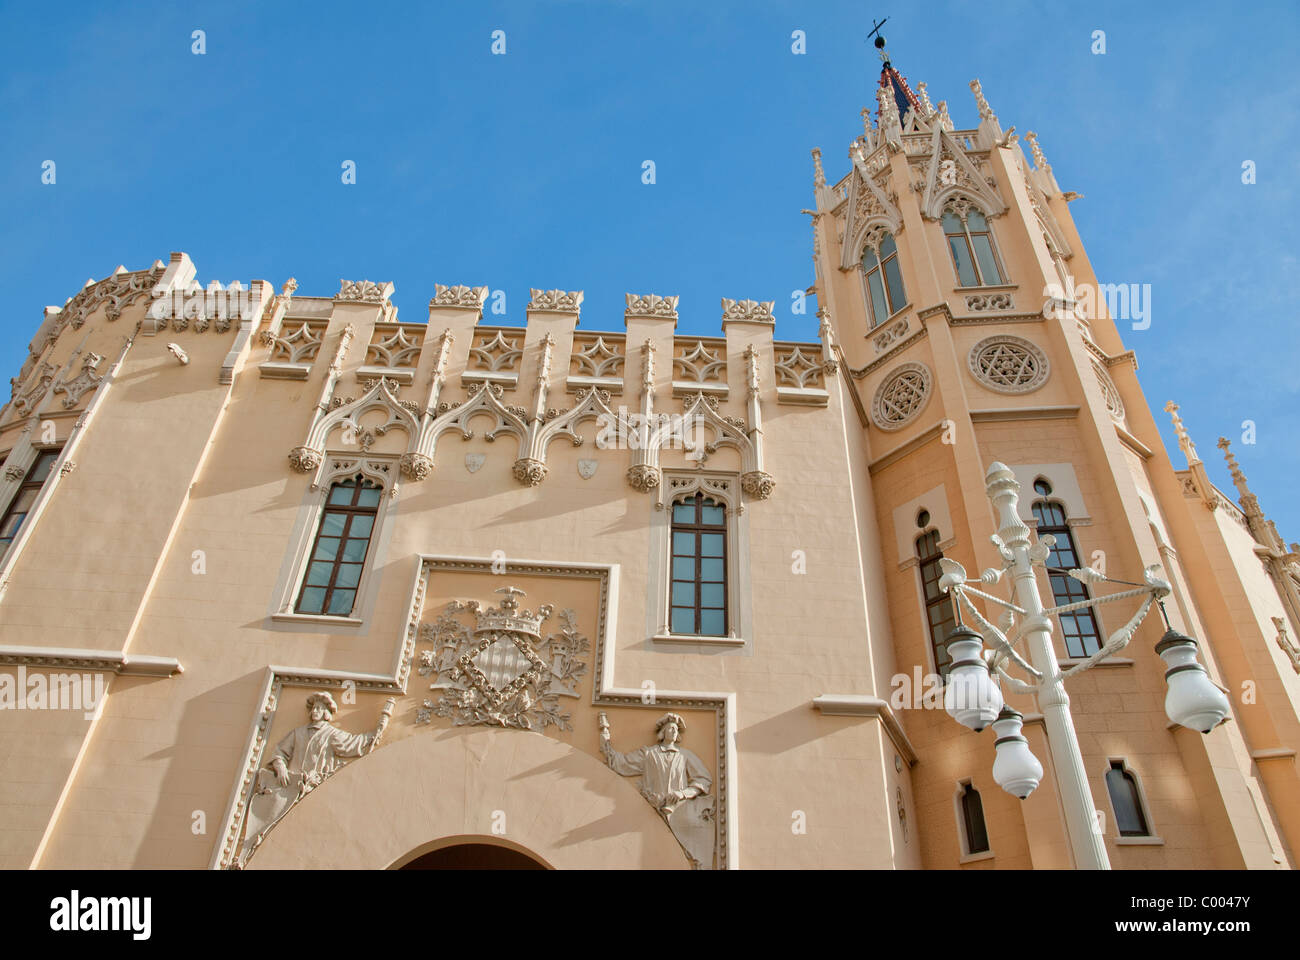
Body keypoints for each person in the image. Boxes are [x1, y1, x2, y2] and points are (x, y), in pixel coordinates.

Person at [237, 691, 393, 867]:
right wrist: (280, 768)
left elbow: (352, 743)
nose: (315, 711)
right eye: (313, 708)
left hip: (314, 788)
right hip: (289, 787)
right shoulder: (298, 733)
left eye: (319, 708)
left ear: (326, 713)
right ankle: (246, 853)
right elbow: (280, 752)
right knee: (268, 825)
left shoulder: (331, 734)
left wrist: (377, 731)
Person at [600, 711, 714, 868]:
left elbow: (704, 779)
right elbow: (622, 764)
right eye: (670, 728)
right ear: (663, 732)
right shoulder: (649, 754)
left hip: (679, 814)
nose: (673, 731)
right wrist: (605, 742)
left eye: (676, 729)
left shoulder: (684, 755)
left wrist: (682, 793)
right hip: (651, 811)